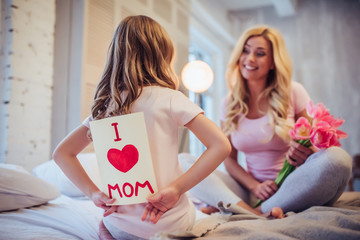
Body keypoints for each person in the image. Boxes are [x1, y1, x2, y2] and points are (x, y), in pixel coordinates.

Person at [53, 15, 232, 240]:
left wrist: (93, 193)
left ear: (116, 56)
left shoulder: (106, 107)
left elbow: (62, 154)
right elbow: (221, 145)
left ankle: (106, 233)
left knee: (105, 223)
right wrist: (176, 188)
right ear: (163, 57)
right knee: (187, 212)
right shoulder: (171, 98)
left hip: (122, 226)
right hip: (172, 223)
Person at [180, 25, 352, 216]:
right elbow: (229, 159)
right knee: (183, 161)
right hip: (249, 190)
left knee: (339, 159)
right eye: (245, 50)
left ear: (273, 62)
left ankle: (248, 211)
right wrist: (254, 186)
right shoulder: (228, 103)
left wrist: (307, 152)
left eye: (260, 53)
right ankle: (255, 213)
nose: (250, 58)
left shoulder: (293, 92)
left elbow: (313, 147)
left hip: (293, 186)